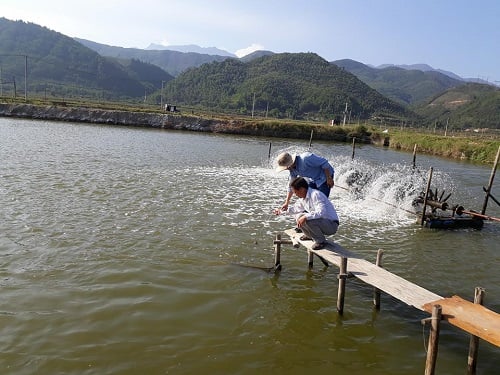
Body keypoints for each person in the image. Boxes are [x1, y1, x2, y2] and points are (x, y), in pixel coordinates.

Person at [274, 176, 339, 250]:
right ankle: (309, 235)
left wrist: (305, 217)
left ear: (302, 189)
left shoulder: (316, 195)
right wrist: (280, 212)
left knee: (307, 219)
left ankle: (321, 241)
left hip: (331, 225)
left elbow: (321, 212)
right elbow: (295, 209)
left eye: (295, 192)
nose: (295, 194)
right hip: (322, 222)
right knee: (298, 216)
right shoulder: (303, 198)